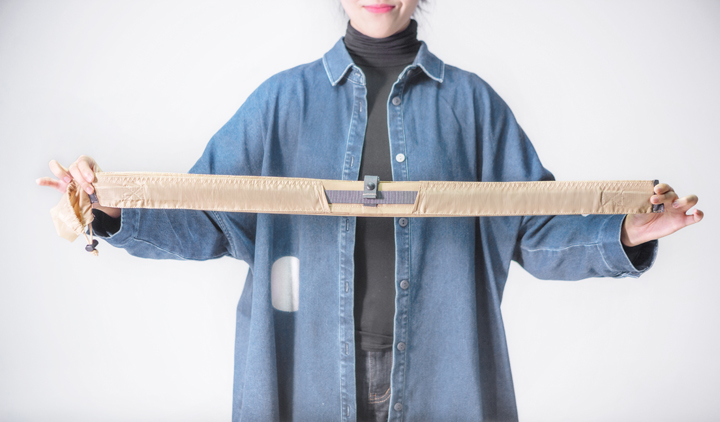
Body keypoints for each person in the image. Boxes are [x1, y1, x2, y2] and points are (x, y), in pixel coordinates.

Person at [37, 1, 702, 421]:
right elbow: (207, 216)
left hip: (444, 372)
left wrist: (625, 233)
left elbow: (532, 229)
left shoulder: (472, 106)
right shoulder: (280, 104)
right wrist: (111, 209)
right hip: (302, 371)